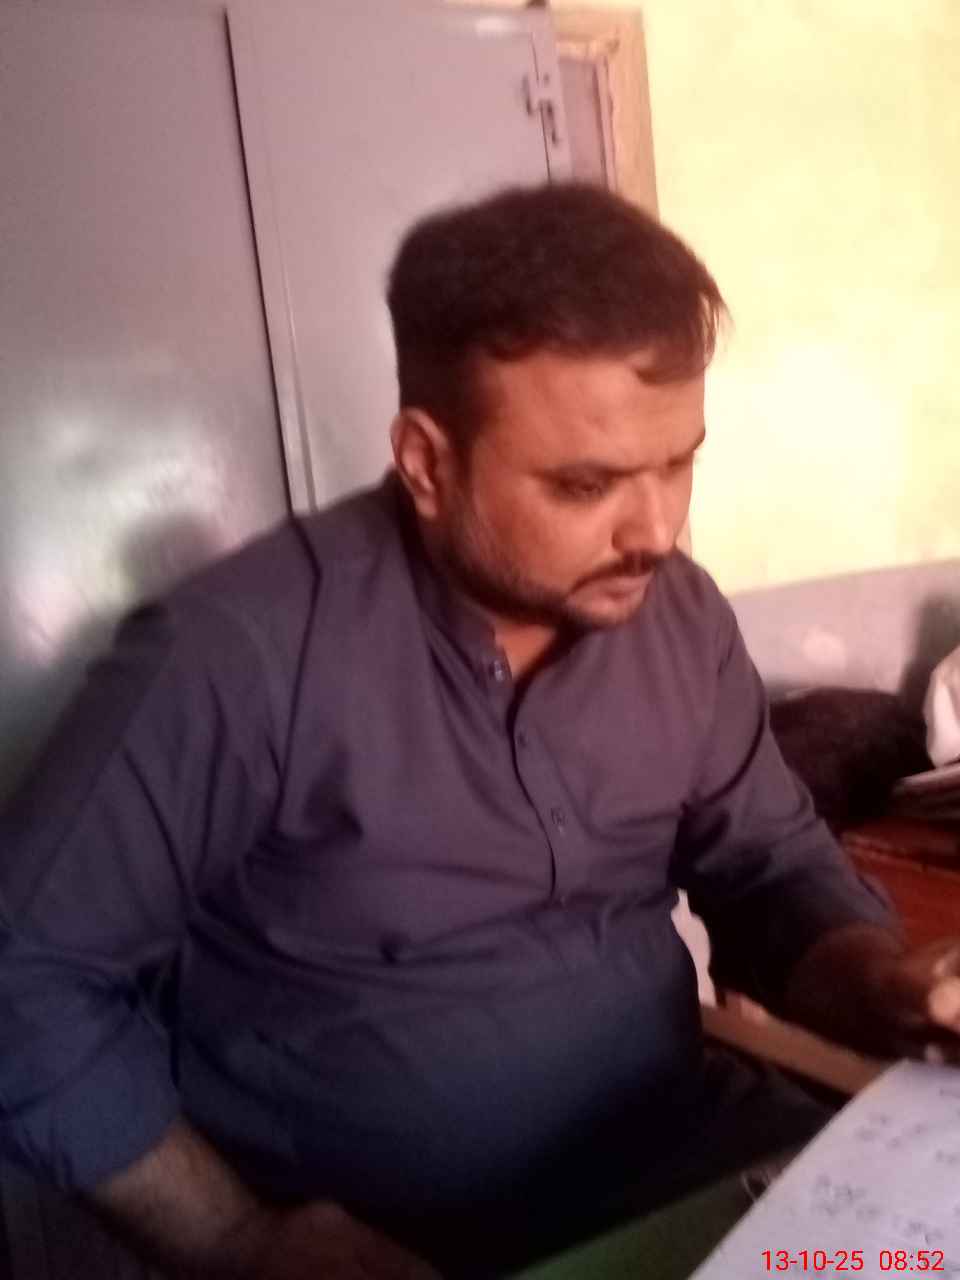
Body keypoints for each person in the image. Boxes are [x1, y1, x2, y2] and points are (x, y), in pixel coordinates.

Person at [1, 183, 959, 1280]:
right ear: (426, 461)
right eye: (586, 484)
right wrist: (235, 1237)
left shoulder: (678, 620)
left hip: (684, 1156)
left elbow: (769, 868)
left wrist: (885, 984)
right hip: (386, 1238)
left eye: (679, 460)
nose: (657, 529)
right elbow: (26, 981)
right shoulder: (234, 655)